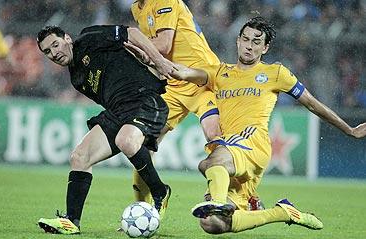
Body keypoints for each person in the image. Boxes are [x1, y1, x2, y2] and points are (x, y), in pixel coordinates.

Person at [168, 16, 366, 234]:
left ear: (265, 48)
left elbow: (312, 103)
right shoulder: (219, 73)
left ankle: (216, 200)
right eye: (246, 39)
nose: (249, 46)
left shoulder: (276, 73)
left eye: (256, 42)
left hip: (253, 142)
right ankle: (282, 213)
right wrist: (150, 57)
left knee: (209, 164)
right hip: (231, 151)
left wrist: (349, 129)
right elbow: (182, 72)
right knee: (212, 224)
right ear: (238, 41)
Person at [36, 24, 175, 234]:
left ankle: (159, 192)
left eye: (56, 45)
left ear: (67, 38)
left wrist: (159, 61)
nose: (54, 53)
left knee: (126, 140)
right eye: (47, 51)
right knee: (79, 157)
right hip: (117, 111)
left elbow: (132, 33)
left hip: (144, 99)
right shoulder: (77, 78)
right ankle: (72, 221)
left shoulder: (88, 37)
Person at [130, 0, 264, 211]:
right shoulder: (137, 9)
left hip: (202, 79)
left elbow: (163, 44)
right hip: (173, 85)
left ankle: (245, 196)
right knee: (141, 142)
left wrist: (126, 42)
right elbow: (156, 54)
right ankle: (144, 208)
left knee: (215, 135)